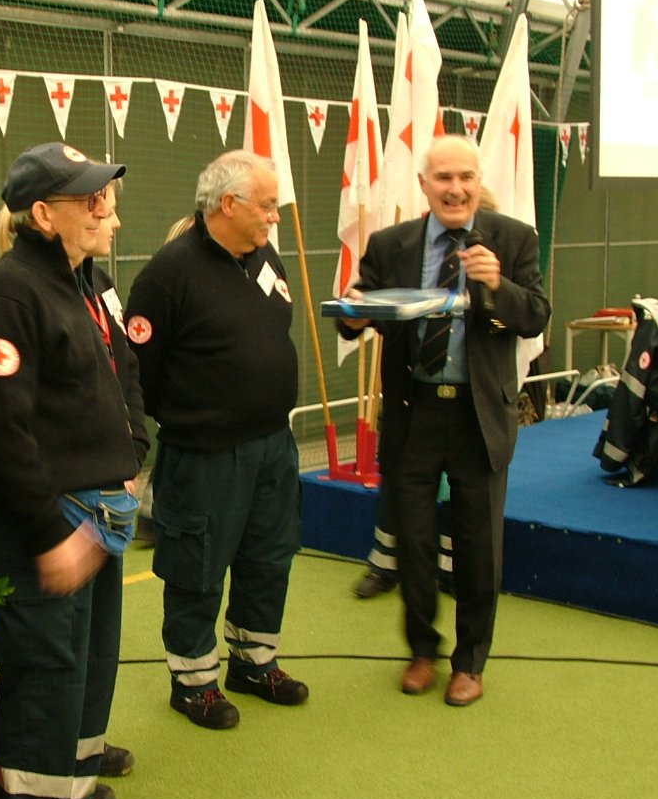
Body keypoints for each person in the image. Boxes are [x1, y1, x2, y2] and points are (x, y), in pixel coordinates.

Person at [0, 143, 149, 799]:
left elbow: (123, 374)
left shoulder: (89, 284)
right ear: (44, 215)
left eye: (104, 193)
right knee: (45, 679)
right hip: (54, 522)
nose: (107, 207)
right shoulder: (9, 298)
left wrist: (131, 451)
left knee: (88, 671)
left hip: (101, 510)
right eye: (90, 198)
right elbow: (3, 436)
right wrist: (49, 535)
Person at [339, 134, 550, 707]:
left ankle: (470, 662)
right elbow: (358, 315)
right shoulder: (391, 243)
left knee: (480, 544)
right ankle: (421, 651)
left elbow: (534, 317)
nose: (456, 188)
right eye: (444, 178)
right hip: (414, 414)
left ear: (479, 183)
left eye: (466, 178)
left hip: (480, 415)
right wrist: (354, 316)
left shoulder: (513, 238)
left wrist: (494, 284)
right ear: (424, 185)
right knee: (413, 540)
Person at [125, 149, 308, 730]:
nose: (274, 216)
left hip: (273, 447)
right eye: (267, 205)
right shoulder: (167, 275)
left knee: (268, 556)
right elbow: (139, 373)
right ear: (227, 205)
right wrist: (193, 418)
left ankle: (254, 663)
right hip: (204, 456)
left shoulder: (263, 258)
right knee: (197, 567)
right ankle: (194, 681)